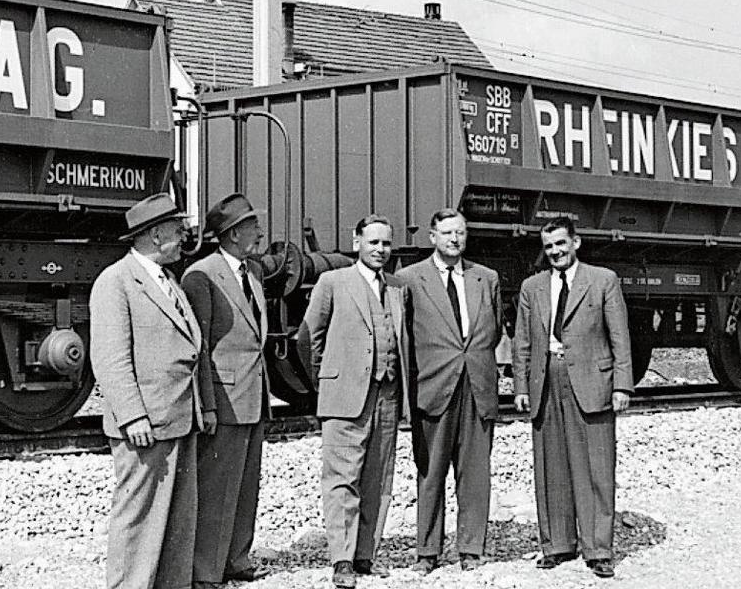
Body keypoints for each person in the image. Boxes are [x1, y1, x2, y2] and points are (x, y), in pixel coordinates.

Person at [90, 193, 216, 589]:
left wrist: (206, 406)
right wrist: (132, 415)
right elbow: (110, 359)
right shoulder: (116, 282)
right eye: (178, 229)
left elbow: (196, 350)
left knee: (180, 523)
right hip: (147, 423)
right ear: (156, 234)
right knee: (139, 519)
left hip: (181, 419)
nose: (184, 236)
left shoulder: (169, 282)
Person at [511, 216, 633, 579]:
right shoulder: (532, 287)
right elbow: (522, 342)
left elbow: (620, 337)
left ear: (575, 243)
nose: (555, 252)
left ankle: (598, 549)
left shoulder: (602, 280)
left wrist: (622, 385)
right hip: (546, 379)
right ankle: (557, 544)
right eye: (549, 246)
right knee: (551, 466)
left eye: (561, 244)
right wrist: (520, 387)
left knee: (595, 467)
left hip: (591, 382)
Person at [298, 214, 411, 589]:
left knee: (378, 477)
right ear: (356, 240)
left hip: (388, 394)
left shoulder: (396, 287)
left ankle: (365, 555)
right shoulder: (333, 282)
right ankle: (342, 559)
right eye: (374, 242)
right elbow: (308, 337)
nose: (381, 250)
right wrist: (327, 380)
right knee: (342, 479)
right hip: (344, 396)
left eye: (386, 243)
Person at [396, 209, 502, 574]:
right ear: (432, 236)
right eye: (446, 233)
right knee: (431, 473)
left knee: (474, 474)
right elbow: (404, 337)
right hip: (433, 387)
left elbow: (495, 330)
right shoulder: (408, 280)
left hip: (476, 386)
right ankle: (427, 552)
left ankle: (471, 548)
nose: (454, 239)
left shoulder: (485, 278)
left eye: (460, 232)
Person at [182, 194, 272, 587]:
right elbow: (198, 349)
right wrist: (208, 405)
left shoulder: (251, 273)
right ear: (234, 234)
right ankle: (206, 570)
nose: (259, 232)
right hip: (225, 400)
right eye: (253, 226)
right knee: (218, 488)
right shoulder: (201, 276)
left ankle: (237, 559)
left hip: (253, 399)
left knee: (246, 486)